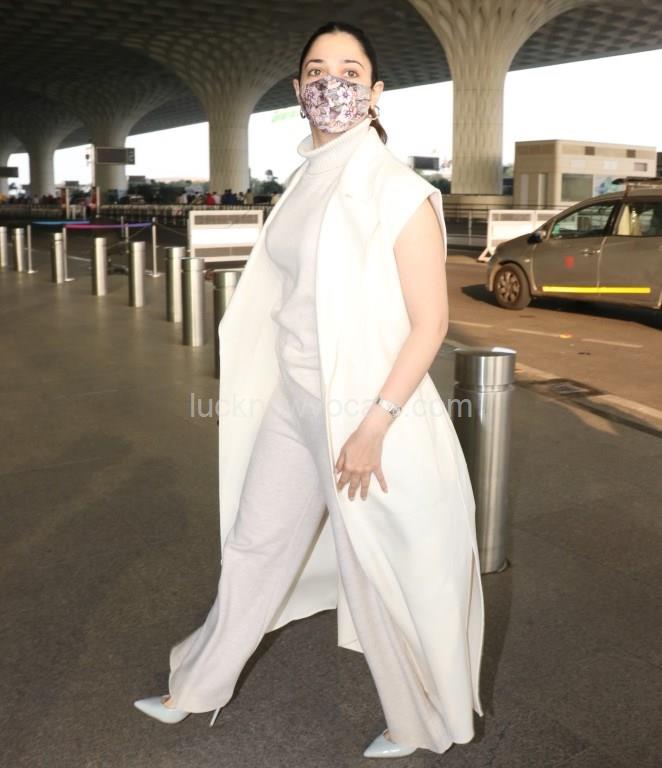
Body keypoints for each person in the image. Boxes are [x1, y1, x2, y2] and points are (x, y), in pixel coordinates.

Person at [134, 19, 484, 760]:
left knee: (373, 570)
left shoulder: (399, 190)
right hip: (294, 403)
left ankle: (416, 723)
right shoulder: (300, 181)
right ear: (297, 90)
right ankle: (196, 687)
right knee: (254, 545)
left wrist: (374, 424)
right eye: (318, 71)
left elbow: (431, 323)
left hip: (363, 414)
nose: (333, 84)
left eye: (350, 72)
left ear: (376, 91)